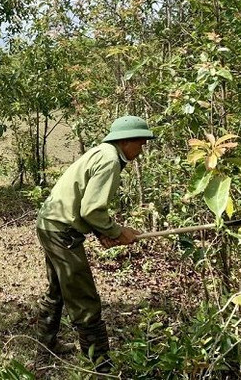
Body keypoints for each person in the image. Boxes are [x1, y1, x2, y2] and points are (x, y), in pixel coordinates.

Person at [34, 115, 155, 374]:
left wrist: (103, 233)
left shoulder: (103, 153)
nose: (142, 150)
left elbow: (86, 209)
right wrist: (116, 231)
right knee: (85, 300)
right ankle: (100, 366)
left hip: (51, 223)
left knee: (57, 289)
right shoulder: (110, 160)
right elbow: (92, 210)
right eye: (141, 143)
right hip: (61, 230)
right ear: (126, 141)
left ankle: (45, 345)